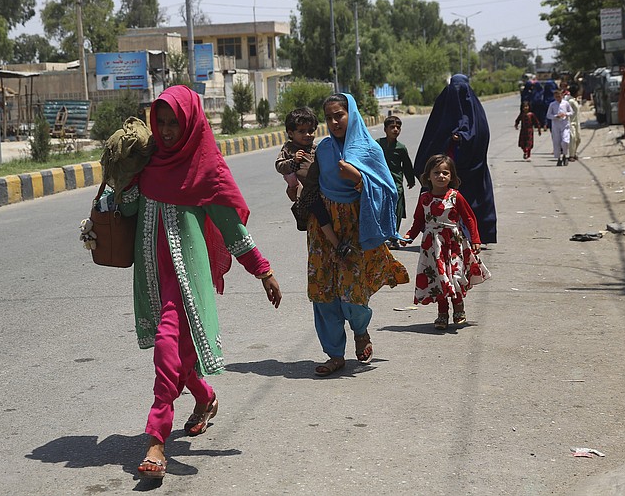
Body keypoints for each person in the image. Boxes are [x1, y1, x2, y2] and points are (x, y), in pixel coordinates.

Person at [115, 85, 283, 479]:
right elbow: (129, 207)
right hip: (152, 277)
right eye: (162, 121)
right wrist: (120, 179)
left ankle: (157, 439)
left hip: (187, 281)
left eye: (175, 122)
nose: (168, 130)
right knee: (178, 358)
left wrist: (263, 270)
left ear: (190, 122)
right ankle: (205, 397)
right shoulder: (148, 161)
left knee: (165, 348)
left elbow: (230, 225)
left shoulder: (205, 166)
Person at [308, 93, 409, 377]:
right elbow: (311, 186)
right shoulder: (324, 149)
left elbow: (389, 191)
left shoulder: (368, 150)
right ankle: (334, 354)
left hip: (356, 229)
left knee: (353, 293)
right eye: (328, 117)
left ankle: (361, 330)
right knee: (324, 293)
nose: (334, 122)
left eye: (339, 115)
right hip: (323, 230)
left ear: (351, 114)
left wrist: (359, 179)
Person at [402, 154, 487, 330]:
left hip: (453, 243)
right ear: (428, 176)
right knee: (438, 277)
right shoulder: (424, 198)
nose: (441, 176)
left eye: (445, 173)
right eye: (436, 173)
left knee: (454, 275)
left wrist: (475, 239)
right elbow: (419, 220)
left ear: (452, 177)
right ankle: (442, 312)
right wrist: (409, 236)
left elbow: (469, 218)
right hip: (432, 246)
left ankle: (458, 306)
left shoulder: (455, 196)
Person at [413, 74, 498, 244]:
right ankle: (438, 234)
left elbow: (481, 135)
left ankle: (476, 236)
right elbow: (434, 134)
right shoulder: (443, 106)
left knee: (471, 204)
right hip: (446, 169)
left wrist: (464, 139)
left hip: (472, 168)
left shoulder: (475, 110)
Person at [275, 107, 352, 258]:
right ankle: (338, 246)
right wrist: (293, 161)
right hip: (309, 193)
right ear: (291, 133)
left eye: (311, 131)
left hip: (325, 189)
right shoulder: (289, 149)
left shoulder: (316, 148)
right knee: (321, 215)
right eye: (302, 131)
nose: (307, 135)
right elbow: (279, 166)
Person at [375, 115, 416, 246]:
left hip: (396, 183)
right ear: (385, 129)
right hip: (380, 182)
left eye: (398, 127)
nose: (395, 129)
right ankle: (380, 236)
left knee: (397, 209)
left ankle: (393, 238)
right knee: (380, 209)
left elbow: (407, 165)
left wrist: (411, 180)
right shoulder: (377, 144)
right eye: (392, 127)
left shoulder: (401, 148)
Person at [546, 89, 574, 166]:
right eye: (556, 97)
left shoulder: (566, 103)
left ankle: (565, 155)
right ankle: (559, 158)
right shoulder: (552, 104)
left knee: (565, 141)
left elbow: (571, 112)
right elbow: (548, 115)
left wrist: (565, 114)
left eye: (559, 96)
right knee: (557, 142)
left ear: (562, 95)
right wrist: (555, 116)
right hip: (556, 125)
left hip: (565, 125)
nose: (558, 98)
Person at [565, 86, 582, 162]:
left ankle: (574, 152)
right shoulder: (570, 101)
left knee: (578, 139)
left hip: (577, 122)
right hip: (570, 122)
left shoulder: (575, 100)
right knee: (572, 138)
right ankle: (571, 155)